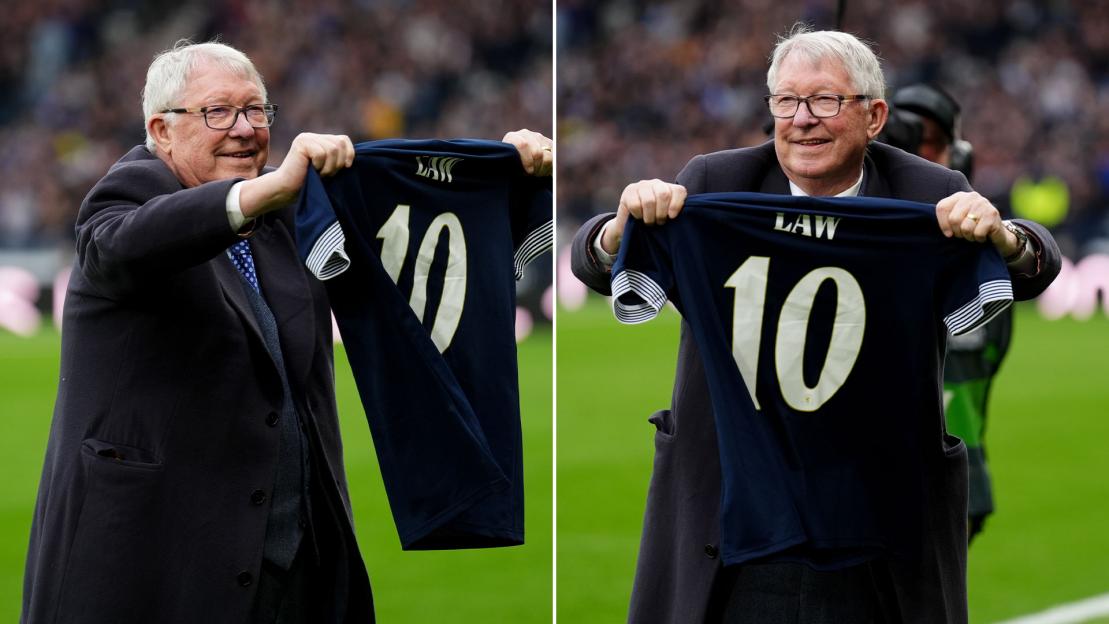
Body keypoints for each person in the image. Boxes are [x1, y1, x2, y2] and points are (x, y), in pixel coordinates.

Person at [21, 40, 552, 624]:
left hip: (295, 569)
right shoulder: (128, 195)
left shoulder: (291, 214)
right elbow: (122, 245)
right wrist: (264, 193)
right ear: (162, 129)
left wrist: (494, 172)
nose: (245, 130)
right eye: (218, 112)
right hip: (157, 563)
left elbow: (409, 229)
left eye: (256, 111)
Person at [570, 26, 1060, 624]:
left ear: (874, 116)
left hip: (875, 527)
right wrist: (620, 227)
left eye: (825, 101)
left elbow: (1033, 270)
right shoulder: (715, 184)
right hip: (732, 519)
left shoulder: (926, 194)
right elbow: (591, 261)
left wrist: (1002, 234)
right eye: (786, 101)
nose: (802, 119)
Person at [883, 83, 1010, 542]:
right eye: (904, 144)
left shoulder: (975, 253)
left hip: (946, 475)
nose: (917, 156)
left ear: (958, 157)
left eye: (929, 144)